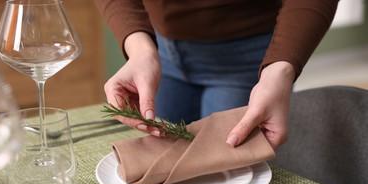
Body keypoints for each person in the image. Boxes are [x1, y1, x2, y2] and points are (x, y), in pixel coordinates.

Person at [93, 0, 339, 149]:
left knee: (231, 176)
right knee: (162, 163)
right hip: (157, 53)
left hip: (249, 58)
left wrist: (281, 70)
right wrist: (138, 48)